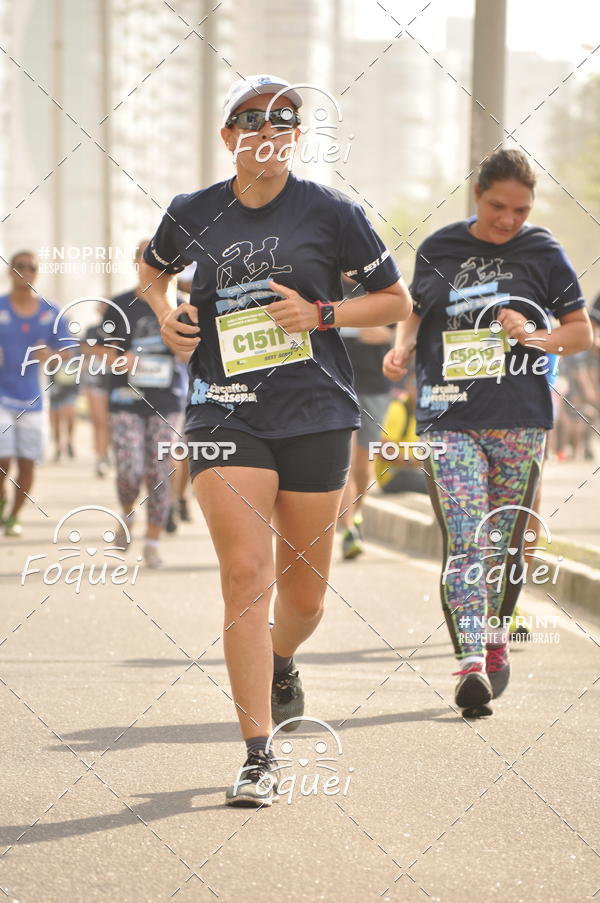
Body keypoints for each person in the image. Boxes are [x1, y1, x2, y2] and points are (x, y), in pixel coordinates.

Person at [139, 74, 412, 806]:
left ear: (296, 134)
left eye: (284, 117)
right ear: (229, 135)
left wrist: (322, 313)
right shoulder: (193, 211)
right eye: (252, 117)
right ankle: (258, 754)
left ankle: (283, 656)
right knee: (244, 573)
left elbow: (394, 302)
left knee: (305, 597)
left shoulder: (332, 212)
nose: (269, 126)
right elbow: (151, 267)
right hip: (224, 411)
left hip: (317, 413)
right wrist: (164, 310)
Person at [384, 148, 593, 718]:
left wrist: (532, 334)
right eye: (498, 206)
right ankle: (471, 660)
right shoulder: (441, 248)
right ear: (478, 195)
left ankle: (497, 637)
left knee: (503, 543)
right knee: (466, 537)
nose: (508, 220)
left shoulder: (543, 251)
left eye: (520, 210)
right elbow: (417, 308)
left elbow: (579, 336)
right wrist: (402, 345)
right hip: (448, 414)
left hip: (520, 419)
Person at [108, 241, 186, 568]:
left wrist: (178, 344)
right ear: (136, 263)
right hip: (126, 401)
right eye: (145, 258)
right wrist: (120, 359)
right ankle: (127, 513)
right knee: (129, 469)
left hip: (166, 401)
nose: (152, 265)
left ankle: (152, 542)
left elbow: (191, 355)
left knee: (158, 471)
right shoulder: (119, 305)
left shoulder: (182, 305)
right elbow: (96, 351)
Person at [0, 251, 70, 536]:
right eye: (20, 267)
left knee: (26, 464)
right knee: (2, 461)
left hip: (34, 399)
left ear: (36, 273)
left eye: (31, 267)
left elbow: (69, 353)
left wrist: (49, 355)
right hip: (1, 396)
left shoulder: (50, 311)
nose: (25, 272)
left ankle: (14, 516)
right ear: (10, 271)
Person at [339, 279, 393, 558]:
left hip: (375, 386)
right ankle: (348, 529)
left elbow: (391, 331)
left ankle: (356, 516)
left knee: (363, 464)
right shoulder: (325, 282)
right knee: (344, 461)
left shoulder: (381, 283)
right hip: (337, 384)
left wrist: (382, 332)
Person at [81, 303, 112, 478]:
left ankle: (109, 452)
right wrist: (105, 352)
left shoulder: (121, 328)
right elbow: (86, 349)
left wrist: (100, 351)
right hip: (95, 380)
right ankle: (100, 456)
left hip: (115, 381)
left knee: (112, 422)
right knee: (99, 421)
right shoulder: (92, 329)